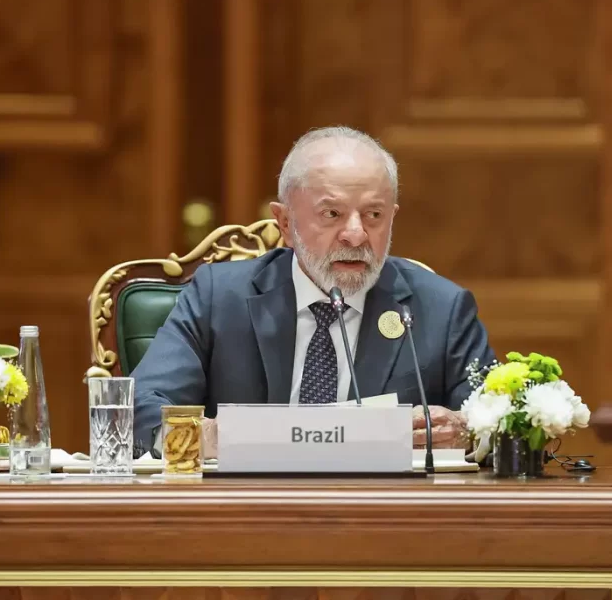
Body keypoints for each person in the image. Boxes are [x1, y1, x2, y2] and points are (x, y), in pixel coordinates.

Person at [132, 126, 496, 457]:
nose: (356, 235)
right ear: (285, 223)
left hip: (381, 505)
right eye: (332, 214)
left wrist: (467, 432)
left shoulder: (441, 309)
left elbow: (501, 421)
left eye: (374, 215)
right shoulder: (218, 297)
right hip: (246, 502)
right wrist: (207, 436)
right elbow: (141, 406)